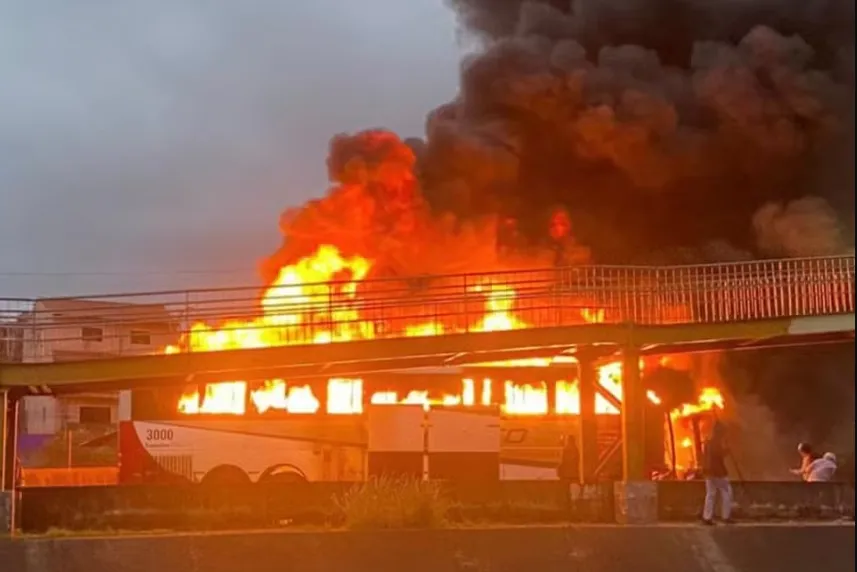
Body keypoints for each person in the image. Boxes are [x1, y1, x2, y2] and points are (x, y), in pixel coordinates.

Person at [701, 421, 732, 525]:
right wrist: (727, 450)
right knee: (727, 492)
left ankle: (707, 517)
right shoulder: (715, 443)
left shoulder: (708, 442)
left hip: (709, 472)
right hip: (718, 472)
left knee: (710, 494)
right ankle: (726, 516)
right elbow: (718, 454)